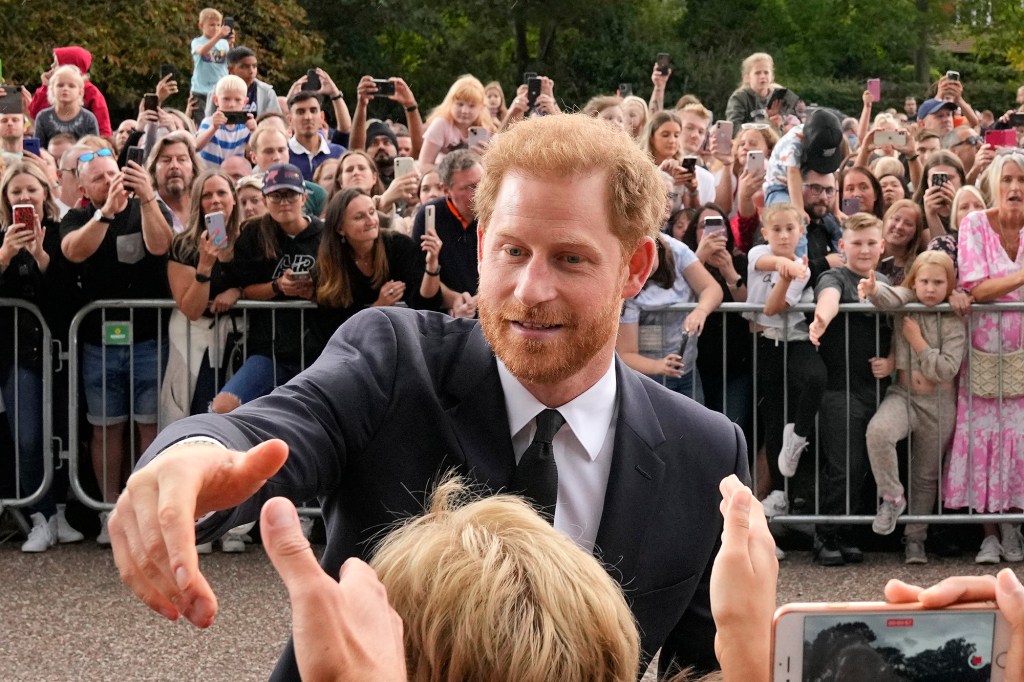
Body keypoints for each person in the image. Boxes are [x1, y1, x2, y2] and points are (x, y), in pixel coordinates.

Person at [108, 114, 749, 680]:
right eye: (513, 250)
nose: (530, 289)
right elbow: (274, 430)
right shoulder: (394, 360)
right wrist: (189, 459)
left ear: (634, 268)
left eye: (570, 259)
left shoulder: (705, 454)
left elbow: (708, 665)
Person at [59, 148, 174, 541]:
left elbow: (162, 246)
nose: (110, 181)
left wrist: (145, 198)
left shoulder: (147, 206)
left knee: (148, 426)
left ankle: (144, 509)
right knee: (105, 429)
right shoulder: (78, 216)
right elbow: (73, 251)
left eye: (114, 173)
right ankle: (110, 509)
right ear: (83, 186)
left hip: (146, 338)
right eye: (99, 178)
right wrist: (105, 212)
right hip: (97, 342)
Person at [944, 151, 1024, 565]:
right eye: (1008, 179)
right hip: (981, 352)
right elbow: (975, 288)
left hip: (1023, 356)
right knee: (981, 438)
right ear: (995, 183)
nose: (1015, 188)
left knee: (1019, 440)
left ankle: (1013, 526)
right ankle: (988, 534)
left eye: (1022, 181)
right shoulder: (975, 224)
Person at [860, 252, 965, 564]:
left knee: (925, 475)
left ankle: (915, 540)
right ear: (914, 281)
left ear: (950, 285)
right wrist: (874, 289)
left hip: (939, 403)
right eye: (924, 281)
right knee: (879, 431)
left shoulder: (953, 319)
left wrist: (917, 341)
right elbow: (889, 297)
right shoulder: (907, 298)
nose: (930, 289)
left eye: (938, 282)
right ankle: (892, 496)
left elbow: (946, 370)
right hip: (903, 395)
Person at [0, 161, 84, 552]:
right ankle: (40, 516)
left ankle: (61, 512)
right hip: (17, 352)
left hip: (60, 351)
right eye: (15, 192)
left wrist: (40, 255)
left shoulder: (61, 231)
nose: (24, 198)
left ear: (44, 193)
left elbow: (69, 295)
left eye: (30, 190)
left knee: (64, 434)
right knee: (28, 436)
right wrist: (4, 256)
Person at [807, 212, 890, 566]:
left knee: (865, 467)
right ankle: (827, 535)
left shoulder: (885, 281)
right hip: (840, 389)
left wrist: (892, 362)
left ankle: (849, 532)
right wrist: (822, 318)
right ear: (843, 246)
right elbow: (829, 296)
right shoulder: (835, 275)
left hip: (876, 389)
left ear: (882, 246)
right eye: (857, 243)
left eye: (872, 243)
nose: (865, 249)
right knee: (844, 464)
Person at [209, 163, 322, 414]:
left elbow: (342, 288)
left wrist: (314, 293)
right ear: (266, 199)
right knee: (222, 408)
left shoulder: (325, 235)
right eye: (276, 195)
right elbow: (246, 288)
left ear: (303, 197)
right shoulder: (254, 234)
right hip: (270, 349)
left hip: (320, 349)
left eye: (290, 194)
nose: (284, 202)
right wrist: (277, 286)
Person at [744, 203, 826, 519]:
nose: (783, 235)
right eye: (776, 229)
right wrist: (784, 267)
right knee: (773, 417)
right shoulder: (758, 254)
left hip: (793, 340)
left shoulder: (802, 268)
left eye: (790, 229)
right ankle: (778, 492)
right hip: (765, 344)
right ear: (765, 233)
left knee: (814, 378)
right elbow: (765, 268)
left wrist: (792, 272)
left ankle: (799, 435)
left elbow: (776, 305)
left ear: (800, 232)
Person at [307, 188, 442, 357]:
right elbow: (330, 326)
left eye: (372, 212)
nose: (371, 220)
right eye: (359, 217)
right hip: (350, 353)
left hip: (400, 345)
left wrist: (431, 265)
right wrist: (377, 307)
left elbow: (426, 304)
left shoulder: (398, 246)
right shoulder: (328, 265)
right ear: (340, 228)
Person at [616, 228, 722, 403]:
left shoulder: (677, 250)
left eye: (647, 254)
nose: (642, 264)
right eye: (635, 259)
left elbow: (712, 288)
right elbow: (626, 354)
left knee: (695, 426)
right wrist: (659, 366)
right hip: (647, 378)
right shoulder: (626, 283)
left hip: (687, 370)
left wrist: (700, 311)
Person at [410, 149, 483, 315]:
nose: (480, 192)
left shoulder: (497, 211)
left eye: (483, 183)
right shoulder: (430, 215)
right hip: (444, 314)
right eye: (469, 187)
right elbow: (421, 274)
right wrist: (455, 299)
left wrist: (479, 300)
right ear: (445, 190)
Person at [27, 46, 112, 137]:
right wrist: (46, 87)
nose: (52, 66)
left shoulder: (92, 93)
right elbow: (36, 115)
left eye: (56, 63)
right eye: (60, 85)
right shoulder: (53, 88)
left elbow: (104, 130)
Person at [417, 75, 494, 173]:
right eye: (460, 104)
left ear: (481, 107)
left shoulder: (486, 131)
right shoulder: (440, 124)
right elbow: (424, 165)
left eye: (471, 106)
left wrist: (486, 160)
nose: (465, 111)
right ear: (451, 103)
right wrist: (453, 175)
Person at [331, 150, 417, 234]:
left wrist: (385, 206)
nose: (356, 173)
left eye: (362, 168)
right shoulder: (330, 219)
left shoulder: (399, 223)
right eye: (349, 170)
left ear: (374, 178)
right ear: (341, 182)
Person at [725, 53, 798, 130]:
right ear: (747, 77)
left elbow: (795, 123)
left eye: (766, 72)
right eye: (757, 73)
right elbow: (733, 128)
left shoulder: (780, 96)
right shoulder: (739, 98)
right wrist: (768, 124)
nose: (763, 76)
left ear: (772, 76)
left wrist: (781, 126)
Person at [202, 46, 281, 118]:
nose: (251, 71)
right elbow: (209, 120)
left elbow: (276, 121)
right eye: (244, 67)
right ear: (231, 70)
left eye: (254, 66)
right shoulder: (217, 91)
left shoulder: (266, 92)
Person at [31, 65, 99, 149]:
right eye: (60, 85)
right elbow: (38, 150)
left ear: (80, 92)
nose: (65, 89)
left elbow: (94, 151)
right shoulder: (43, 117)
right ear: (52, 90)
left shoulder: (88, 118)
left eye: (71, 86)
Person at [196, 75, 257, 167]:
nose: (231, 104)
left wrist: (255, 131)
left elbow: (252, 151)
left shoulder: (245, 126)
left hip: (232, 173)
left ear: (245, 102)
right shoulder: (209, 122)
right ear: (216, 100)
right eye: (226, 99)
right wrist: (213, 128)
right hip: (207, 173)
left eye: (238, 100)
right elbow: (197, 146)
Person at [286, 91, 345, 182]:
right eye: (300, 112)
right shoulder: (283, 155)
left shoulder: (339, 154)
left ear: (322, 117)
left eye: (313, 111)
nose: (308, 117)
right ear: (290, 120)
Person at [189, 7, 232, 127]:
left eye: (219, 25)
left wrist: (230, 43)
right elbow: (202, 51)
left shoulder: (224, 44)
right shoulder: (197, 42)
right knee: (202, 123)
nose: (216, 28)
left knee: (220, 122)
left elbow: (229, 63)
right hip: (201, 90)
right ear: (201, 26)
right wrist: (218, 36)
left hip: (219, 90)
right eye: (212, 25)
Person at [877, 199, 924, 286]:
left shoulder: (919, 266)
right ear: (885, 221)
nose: (899, 227)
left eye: (908, 224)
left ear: (915, 232)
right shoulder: (866, 256)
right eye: (896, 219)